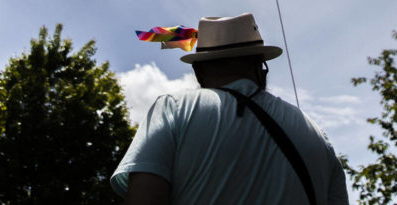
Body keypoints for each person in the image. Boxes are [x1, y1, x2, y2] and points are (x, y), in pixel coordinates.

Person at [111, 13, 349, 204]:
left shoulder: (173, 110)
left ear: (198, 72)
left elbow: (144, 196)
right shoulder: (317, 136)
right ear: (261, 65)